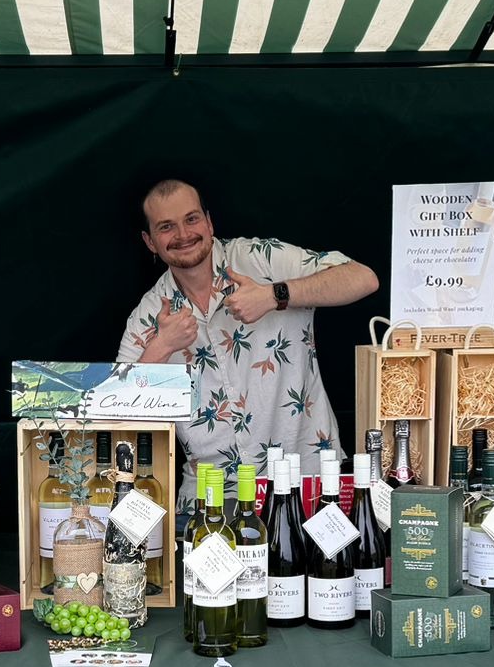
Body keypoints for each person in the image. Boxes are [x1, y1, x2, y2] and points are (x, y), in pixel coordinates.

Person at [116, 179, 378, 484]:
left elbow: (363, 279)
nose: (183, 234)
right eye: (166, 227)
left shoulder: (260, 259)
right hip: (211, 493)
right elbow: (117, 416)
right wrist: (162, 346)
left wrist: (274, 295)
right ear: (150, 242)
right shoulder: (149, 313)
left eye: (192, 219)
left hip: (307, 477)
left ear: (209, 222)